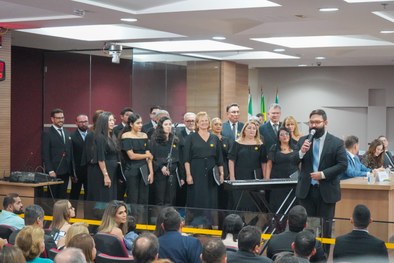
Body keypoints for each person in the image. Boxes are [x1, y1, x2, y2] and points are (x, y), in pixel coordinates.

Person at [296, 109, 347, 254]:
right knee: (309, 226)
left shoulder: (336, 142)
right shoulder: (302, 140)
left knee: (326, 227)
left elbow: (343, 164)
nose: (313, 125)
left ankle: (323, 255)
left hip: (327, 191)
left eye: (317, 122)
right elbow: (293, 160)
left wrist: (323, 174)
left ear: (325, 123)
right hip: (307, 191)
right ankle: (307, 254)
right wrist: (301, 152)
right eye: (311, 122)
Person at [184, 111, 224, 209]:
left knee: (211, 197)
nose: (204, 122)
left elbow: (220, 158)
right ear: (197, 123)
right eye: (201, 121)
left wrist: (221, 174)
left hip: (212, 171)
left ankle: (210, 222)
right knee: (196, 196)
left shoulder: (215, 138)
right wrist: (188, 175)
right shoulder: (191, 138)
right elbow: (186, 159)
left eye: (206, 120)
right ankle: (196, 222)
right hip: (196, 170)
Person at [228, 121, 266, 210]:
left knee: (254, 201)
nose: (251, 130)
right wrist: (232, 177)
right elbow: (231, 160)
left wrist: (265, 177)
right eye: (249, 128)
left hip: (255, 176)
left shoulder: (260, 144)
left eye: (254, 128)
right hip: (240, 175)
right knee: (240, 200)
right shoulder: (237, 143)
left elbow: (263, 162)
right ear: (244, 130)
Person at [121, 113, 154, 205]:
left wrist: (151, 172)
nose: (140, 125)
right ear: (131, 124)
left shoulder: (144, 135)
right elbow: (132, 156)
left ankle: (142, 218)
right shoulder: (126, 136)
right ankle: (132, 218)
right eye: (138, 123)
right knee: (133, 197)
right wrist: (147, 156)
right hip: (132, 169)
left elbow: (149, 155)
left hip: (144, 169)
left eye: (141, 123)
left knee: (144, 198)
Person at [86, 112, 119, 202]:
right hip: (103, 171)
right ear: (103, 122)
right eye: (110, 120)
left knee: (111, 196)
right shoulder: (100, 137)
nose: (112, 122)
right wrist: (106, 175)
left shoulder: (112, 136)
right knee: (104, 196)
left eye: (113, 120)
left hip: (112, 170)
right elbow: (101, 158)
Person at [41, 108, 73, 199]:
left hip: (66, 171)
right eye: (58, 118)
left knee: (63, 196)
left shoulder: (67, 133)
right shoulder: (47, 133)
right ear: (52, 119)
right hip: (54, 171)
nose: (61, 120)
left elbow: (70, 152)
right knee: (53, 197)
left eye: (62, 117)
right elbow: (45, 154)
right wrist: (50, 170)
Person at [265, 127, 299, 213]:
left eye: (287, 134)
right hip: (277, 181)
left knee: (291, 205)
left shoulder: (296, 148)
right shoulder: (274, 148)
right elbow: (269, 165)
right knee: (277, 205)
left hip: (293, 181)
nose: (285, 136)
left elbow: (300, 163)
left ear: (290, 135)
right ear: (278, 137)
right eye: (282, 134)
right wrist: (266, 179)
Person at [150, 116, 181, 205]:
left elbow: (177, 157)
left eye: (170, 124)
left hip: (172, 172)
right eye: (166, 124)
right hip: (160, 172)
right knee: (160, 198)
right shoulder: (155, 140)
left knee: (171, 199)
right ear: (161, 126)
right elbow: (152, 157)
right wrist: (161, 167)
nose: (168, 126)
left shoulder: (174, 140)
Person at [175, 112, 196, 207]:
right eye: (188, 121)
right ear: (184, 122)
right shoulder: (178, 135)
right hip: (183, 171)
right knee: (183, 198)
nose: (191, 123)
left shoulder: (200, 134)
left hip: (196, 170)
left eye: (193, 121)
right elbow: (178, 156)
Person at [210, 117, 231, 209]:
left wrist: (229, 172)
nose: (218, 126)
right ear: (211, 126)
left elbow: (229, 156)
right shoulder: (209, 138)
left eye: (220, 124)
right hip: (212, 168)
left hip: (225, 169)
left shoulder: (226, 139)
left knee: (224, 194)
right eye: (216, 124)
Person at [70, 114, 89, 201]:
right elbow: (71, 156)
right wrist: (72, 173)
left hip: (90, 171)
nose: (84, 124)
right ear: (76, 123)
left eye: (85, 121)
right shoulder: (71, 136)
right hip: (77, 172)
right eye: (81, 122)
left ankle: (88, 215)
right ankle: (72, 214)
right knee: (74, 195)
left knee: (89, 195)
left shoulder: (92, 135)